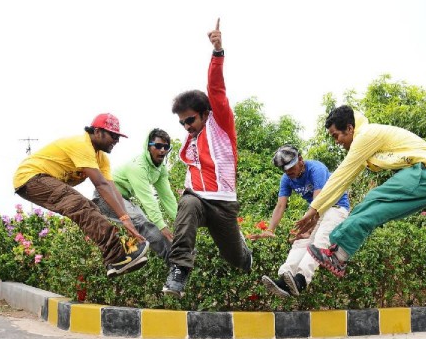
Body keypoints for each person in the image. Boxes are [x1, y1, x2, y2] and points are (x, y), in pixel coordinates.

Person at [295, 105, 426, 278]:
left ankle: (337, 255)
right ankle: (339, 257)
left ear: (349, 128)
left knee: (375, 198)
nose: (337, 142)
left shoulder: (366, 136)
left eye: (336, 136)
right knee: (374, 209)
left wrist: (313, 209)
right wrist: (317, 210)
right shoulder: (364, 142)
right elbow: (343, 182)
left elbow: (340, 176)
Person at [163, 18, 252, 298]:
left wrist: (217, 52)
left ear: (204, 113)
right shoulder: (190, 141)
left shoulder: (221, 125)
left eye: (190, 120)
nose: (186, 126)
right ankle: (179, 270)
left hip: (223, 205)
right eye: (181, 123)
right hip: (198, 199)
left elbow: (216, 90)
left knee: (235, 259)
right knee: (187, 203)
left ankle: (243, 251)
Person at [13, 113, 149, 278]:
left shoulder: (101, 159)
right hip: (31, 178)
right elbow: (100, 184)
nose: (116, 141)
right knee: (79, 205)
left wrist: (127, 220)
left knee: (91, 208)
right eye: (113, 136)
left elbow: (112, 189)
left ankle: (113, 262)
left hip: (40, 181)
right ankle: (118, 257)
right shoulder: (82, 145)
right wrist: (124, 220)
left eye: (118, 137)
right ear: (97, 132)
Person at [249, 145, 350, 297]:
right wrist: (270, 230)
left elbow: (319, 202)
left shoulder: (316, 169)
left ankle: (301, 280)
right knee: (300, 242)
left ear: (300, 160)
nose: (289, 172)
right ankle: (285, 278)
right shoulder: (287, 179)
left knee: (319, 243)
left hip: (335, 208)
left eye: (291, 167)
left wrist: (309, 228)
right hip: (315, 211)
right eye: (285, 170)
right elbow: (280, 205)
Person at [93, 128, 177, 262]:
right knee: (142, 222)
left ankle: (134, 253)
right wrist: (163, 226)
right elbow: (148, 200)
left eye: (166, 147)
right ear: (148, 147)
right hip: (106, 196)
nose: (162, 150)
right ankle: (174, 260)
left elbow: (168, 198)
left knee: (146, 225)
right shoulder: (138, 166)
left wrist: (182, 222)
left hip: (122, 198)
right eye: (158, 146)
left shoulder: (160, 169)